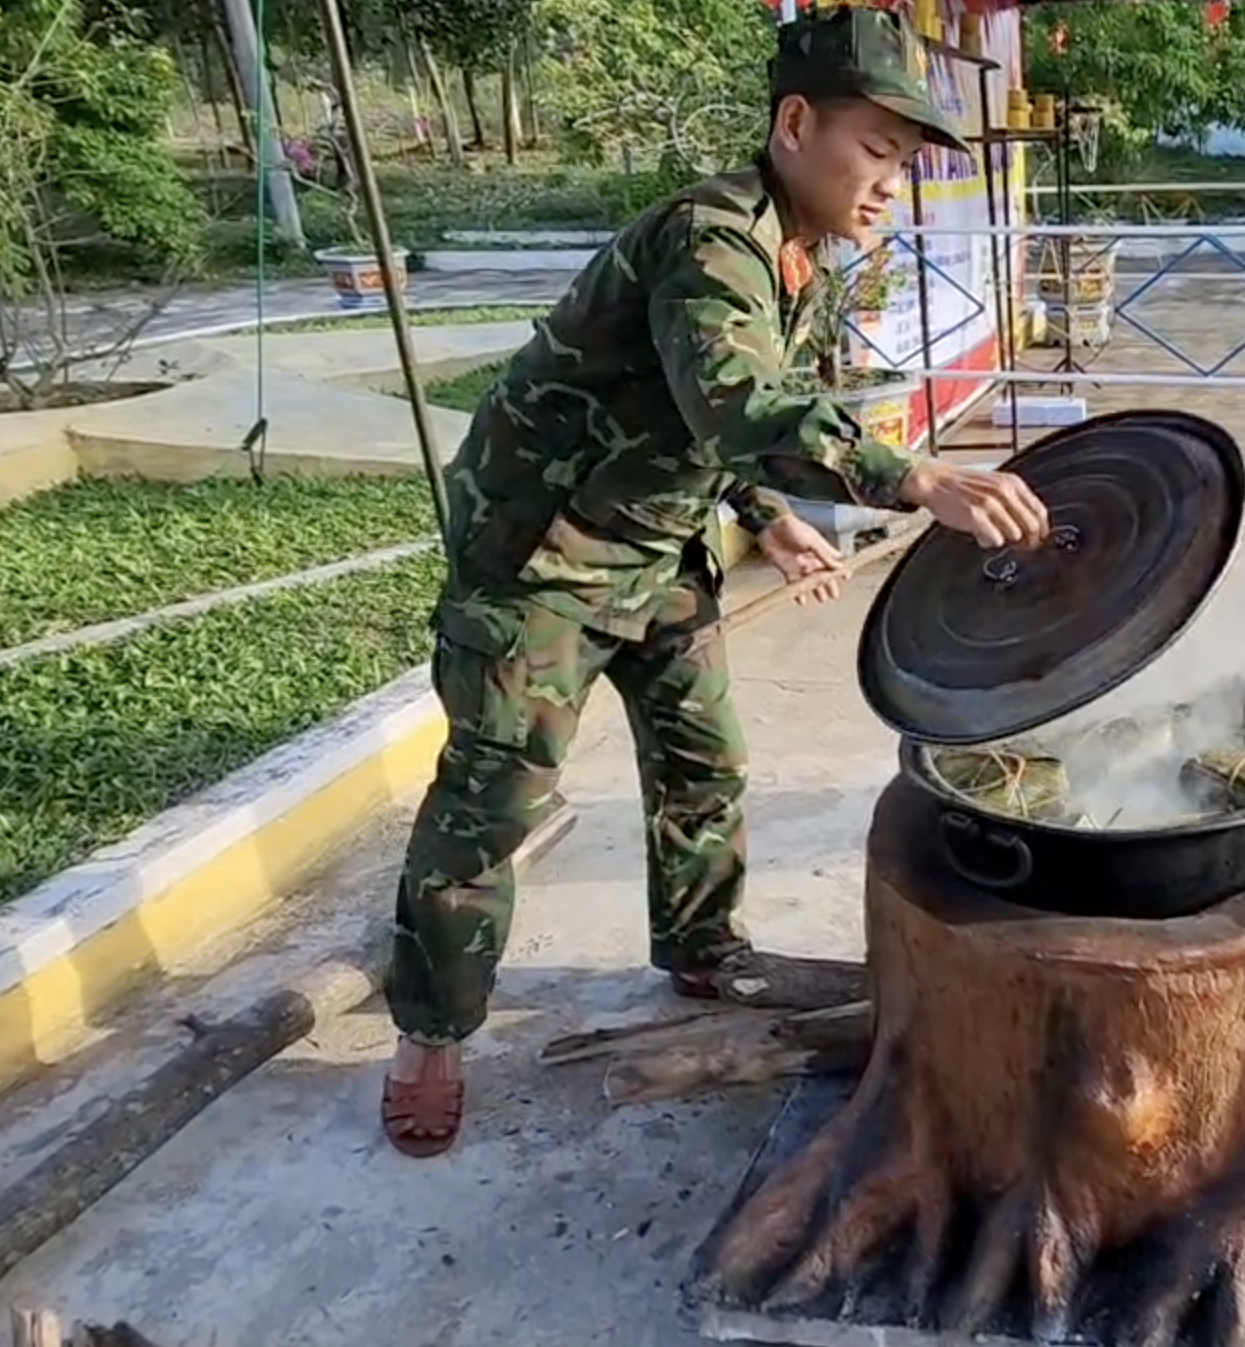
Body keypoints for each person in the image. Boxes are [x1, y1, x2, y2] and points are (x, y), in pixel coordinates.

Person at [379, 3, 1048, 1157]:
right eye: (876, 150)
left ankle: (700, 952)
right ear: (794, 125)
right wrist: (911, 476)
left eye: (904, 161)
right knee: (493, 798)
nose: (890, 184)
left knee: (704, 761)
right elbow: (736, 400)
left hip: (657, 543)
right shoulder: (710, 237)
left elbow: (699, 419)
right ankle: (429, 1033)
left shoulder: (795, 255)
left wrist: (767, 517)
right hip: (539, 557)